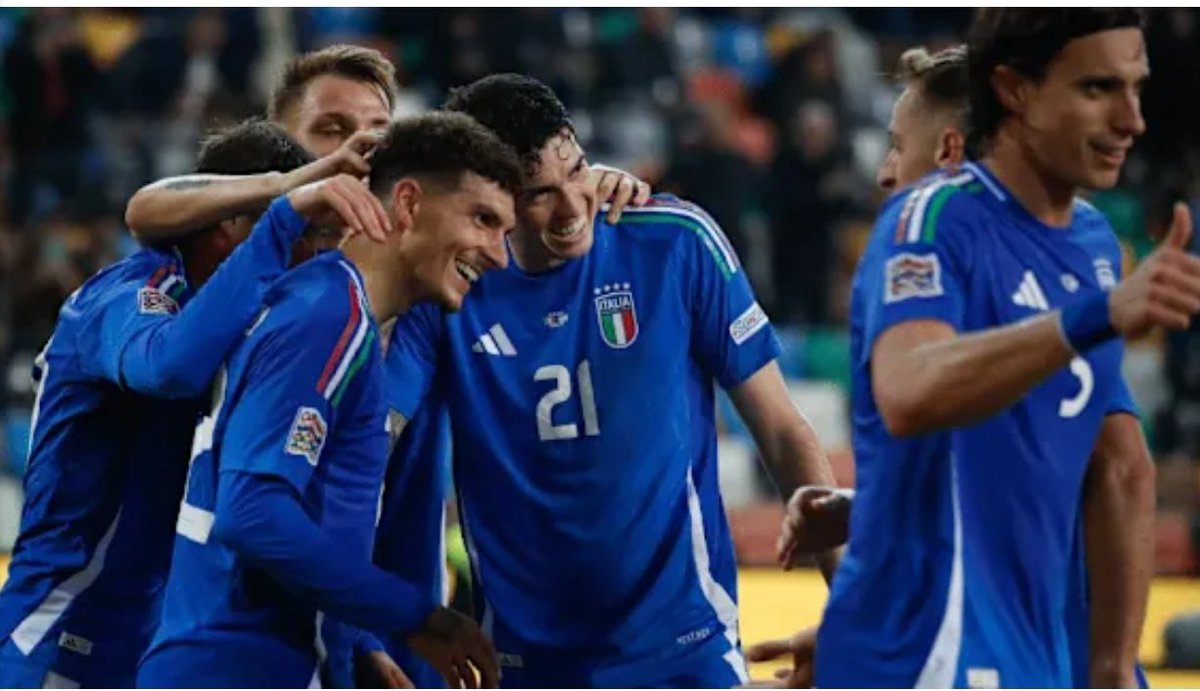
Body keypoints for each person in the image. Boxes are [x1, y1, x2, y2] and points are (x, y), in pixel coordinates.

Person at [384, 73, 837, 688]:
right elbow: (374, 445)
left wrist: (851, 607)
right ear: (491, 199)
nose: (573, 208)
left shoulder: (674, 242)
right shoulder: (448, 288)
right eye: (540, 194)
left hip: (687, 652)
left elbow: (781, 430)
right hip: (523, 663)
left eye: (576, 169)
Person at [811, 9, 1188, 687]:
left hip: (1036, 652)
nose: (1132, 120)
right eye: (1098, 89)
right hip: (934, 649)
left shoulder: (1092, 243)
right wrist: (1097, 315)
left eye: (1136, 87)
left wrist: (1110, 666)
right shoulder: (932, 216)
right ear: (1015, 90)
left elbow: (1121, 467)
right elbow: (909, 391)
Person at [136, 112, 522, 689]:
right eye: (483, 219)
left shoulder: (338, 313)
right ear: (408, 204)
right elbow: (252, 514)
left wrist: (354, 641)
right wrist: (418, 616)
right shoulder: (328, 315)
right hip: (237, 669)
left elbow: (317, 517)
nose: (499, 254)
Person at [0, 120, 375, 688]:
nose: (306, 256)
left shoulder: (251, 328)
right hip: (51, 638)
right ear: (231, 226)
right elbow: (170, 367)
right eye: (300, 234)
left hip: (147, 645)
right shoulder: (130, 294)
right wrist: (281, 216)